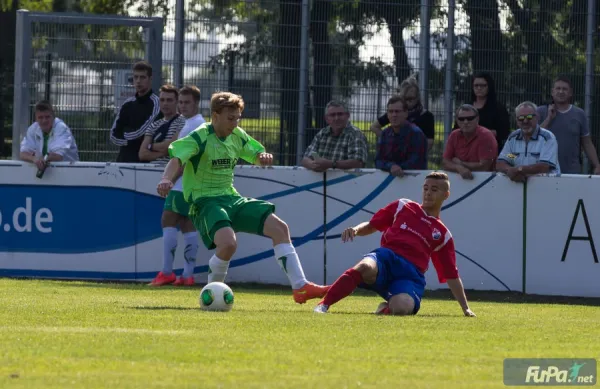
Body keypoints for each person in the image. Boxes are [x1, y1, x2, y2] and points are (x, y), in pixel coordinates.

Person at [157, 91, 329, 303]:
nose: (235, 123)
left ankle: (300, 287)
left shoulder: (236, 135)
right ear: (215, 115)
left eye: (238, 118)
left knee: (280, 228)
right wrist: (167, 179)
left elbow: (255, 154)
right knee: (228, 244)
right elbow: (177, 159)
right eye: (231, 118)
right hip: (205, 202)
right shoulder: (200, 136)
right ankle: (211, 293)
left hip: (231, 198)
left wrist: (262, 158)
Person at [314, 172, 476, 317]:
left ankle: (386, 307)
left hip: (409, 275)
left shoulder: (443, 234)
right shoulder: (403, 206)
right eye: (425, 188)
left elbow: (451, 274)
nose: (428, 193)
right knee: (364, 266)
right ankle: (323, 305)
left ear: (446, 195)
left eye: (434, 190)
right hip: (386, 258)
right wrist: (356, 230)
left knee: (401, 308)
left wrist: (465, 308)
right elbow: (372, 225)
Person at [150, 86, 206, 286]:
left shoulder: (192, 125)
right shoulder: (195, 123)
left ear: (196, 103)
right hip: (194, 185)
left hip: (182, 183)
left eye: (186, 102)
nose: (182, 106)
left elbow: (182, 158)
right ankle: (187, 275)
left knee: (168, 220)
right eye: (180, 102)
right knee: (187, 225)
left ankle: (167, 272)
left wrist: (170, 179)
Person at [19, 101, 79, 173]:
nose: (44, 121)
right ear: (36, 119)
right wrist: (34, 159)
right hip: (49, 173)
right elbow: (23, 154)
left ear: (53, 117)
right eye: (40, 117)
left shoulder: (61, 127)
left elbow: (58, 156)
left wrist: (41, 159)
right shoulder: (33, 128)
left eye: (47, 117)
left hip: (70, 171)